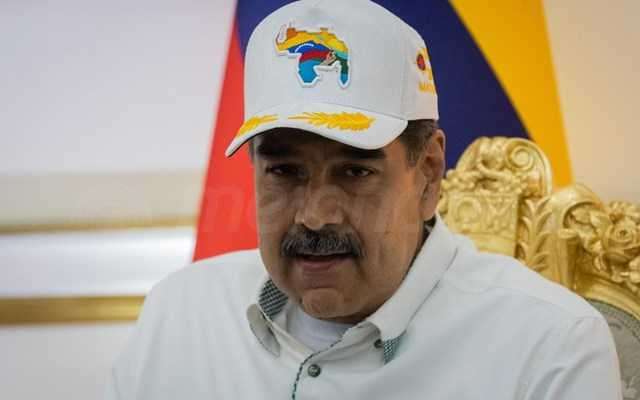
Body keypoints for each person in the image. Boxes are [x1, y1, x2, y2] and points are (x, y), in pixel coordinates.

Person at [106, 1, 622, 399]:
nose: (315, 216)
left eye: (355, 172)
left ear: (428, 173)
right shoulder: (182, 314)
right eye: (284, 172)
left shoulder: (548, 344)